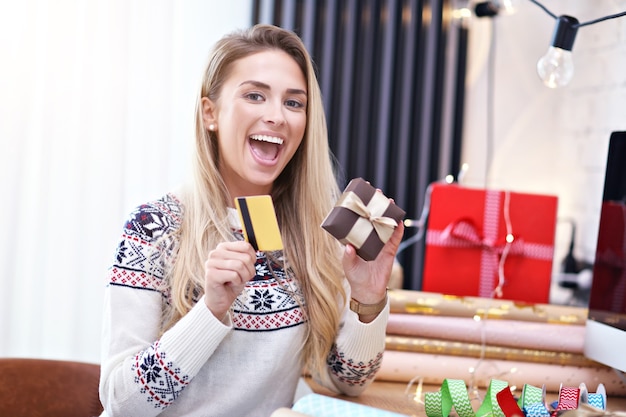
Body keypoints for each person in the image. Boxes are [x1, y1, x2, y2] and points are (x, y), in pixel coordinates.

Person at [98, 23, 404, 417]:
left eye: (294, 103)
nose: (276, 116)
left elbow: (347, 381)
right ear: (210, 113)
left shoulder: (314, 234)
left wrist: (368, 296)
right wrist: (210, 311)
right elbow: (121, 404)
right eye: (255, 96)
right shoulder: (152, 226)